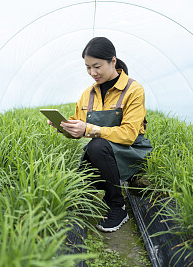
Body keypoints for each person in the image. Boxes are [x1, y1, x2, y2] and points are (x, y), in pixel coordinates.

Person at [47, 37, 152, 232]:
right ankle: (107, 187)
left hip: (130, 151)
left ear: (113, 61)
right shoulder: (88, 93)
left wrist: (88, 129)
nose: (92, 73)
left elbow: (129, 134)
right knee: (82, 179)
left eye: (97, 66)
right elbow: (79, 126)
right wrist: (64, 127)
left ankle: (117, 206)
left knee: (96, 145)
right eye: (88, 67)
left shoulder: (133, 90)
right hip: (103, 153)